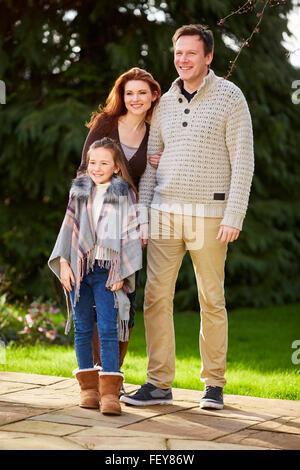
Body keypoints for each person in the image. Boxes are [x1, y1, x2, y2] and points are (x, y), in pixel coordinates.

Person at [121, 24, 254, 410]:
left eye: (191, 53)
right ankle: (159, 383)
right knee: (156, 298)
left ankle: (214, 385)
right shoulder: (163, 102)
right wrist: (144, 213)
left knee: (211, 299)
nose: (182, 60)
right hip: (163, 212)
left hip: (211, 215)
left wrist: (234, 214)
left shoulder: (230, 97)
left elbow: (243, 161)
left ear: (208, 57)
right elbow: (150, 163)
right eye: (178, 53)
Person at [48, 138, 142, 415]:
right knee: (83, 328)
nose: (96, 167)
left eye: (103, 163)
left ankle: (110, 393)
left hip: (109, 270)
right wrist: (64, 264)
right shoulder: (79, 191)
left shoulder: (123, 193)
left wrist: (122, 273)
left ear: (115, 167)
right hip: (79, 268)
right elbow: (68, 230)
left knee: (108, 328)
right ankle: (88, 390)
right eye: (92, 162)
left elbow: (130, 236)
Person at [78, 68, 161, 372]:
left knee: (124, 297)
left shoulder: (155, 132)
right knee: (97, 297)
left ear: (154, 96)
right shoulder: (106, 123)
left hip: (130, 224)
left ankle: (113, 375)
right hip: (97, 220)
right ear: (121, 95)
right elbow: (84, 170)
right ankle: (96, 372)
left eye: (142, 92)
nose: (135, 99)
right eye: (129, 93)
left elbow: (154, 180)